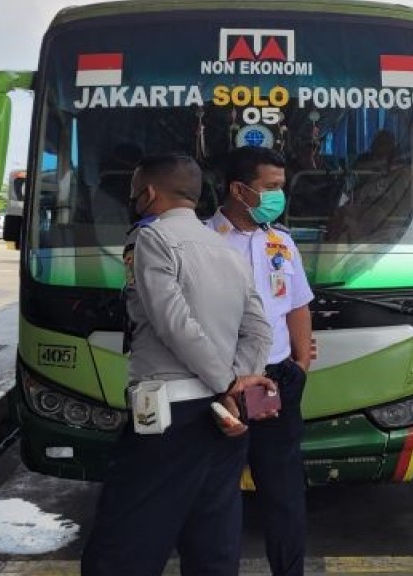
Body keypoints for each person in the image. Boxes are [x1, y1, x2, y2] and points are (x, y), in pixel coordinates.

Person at [81, 152, 275, 576]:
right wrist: (238, 386)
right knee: (212, 546)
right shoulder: (226, 250)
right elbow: (259, 329)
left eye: (134, 193)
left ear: (148, 193)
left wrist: (228, 381)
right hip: (226, 418)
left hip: (168, 416)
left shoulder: (149, 238)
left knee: (122, 547)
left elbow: (173, 323)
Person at [206, 146, 314, 576]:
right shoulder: (201, 242)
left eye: (280, 188)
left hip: (275, 382)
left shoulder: (280, 242)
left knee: (284, 492)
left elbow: (298, 306)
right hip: (220, 384)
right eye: (270, 187)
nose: (277, 196)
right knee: (215, 493)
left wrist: (300, 367)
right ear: (238, 189)